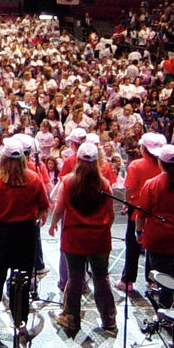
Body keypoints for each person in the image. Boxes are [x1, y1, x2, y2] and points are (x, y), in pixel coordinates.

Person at [0, 137, 49, 339]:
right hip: (25, 232)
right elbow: (44, 206)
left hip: (0, 233)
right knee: (22, 280)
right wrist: (31, 219)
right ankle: (21, 323)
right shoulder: (34, 178)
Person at [48, 141, 117, 335]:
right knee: (101, 278)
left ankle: (71, 319)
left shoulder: (68, 181)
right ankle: (109, 320)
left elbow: (60, 208)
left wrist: (53, 225)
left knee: (75, 278)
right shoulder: (104, 183)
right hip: (99, 239)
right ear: (97, 162)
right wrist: (105, 229)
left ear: (77, 159)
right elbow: (111, 214)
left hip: (74, 238)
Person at [136, 144, 174, 309]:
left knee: (164, 273)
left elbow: (140, 214)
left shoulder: (152, 184)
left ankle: (165, 308)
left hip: (157, 237)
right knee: (168, 269)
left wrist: (138, 233)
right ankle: (166, 304)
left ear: (160, 162)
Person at [116, 133, 165, 292]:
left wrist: (126, 202)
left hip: (137, 210)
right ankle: (153, 281)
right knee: (154, 247)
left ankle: (127, 281)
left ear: (144, 149)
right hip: (157, 210)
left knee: (133, 246)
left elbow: (129, 188)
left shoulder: (136, 165)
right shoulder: (162, 164)